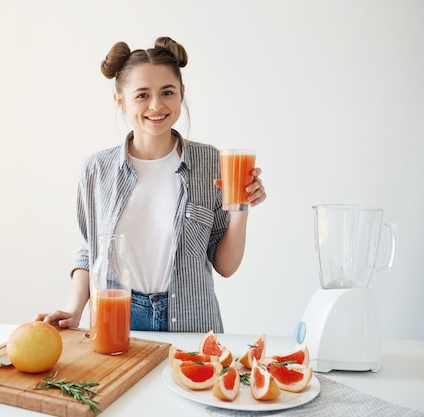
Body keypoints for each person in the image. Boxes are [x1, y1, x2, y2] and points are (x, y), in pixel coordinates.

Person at [36, 37, 266, 333]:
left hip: (191, 319)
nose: (156, 105)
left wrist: (241, 207)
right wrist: (73, 309)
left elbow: (226, 266)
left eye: (167, 92)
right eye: (142, 95)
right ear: (120, 100)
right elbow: (87, 252)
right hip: (117, 315)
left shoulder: (211, 163)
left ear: (182, 94)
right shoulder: (95, 170)